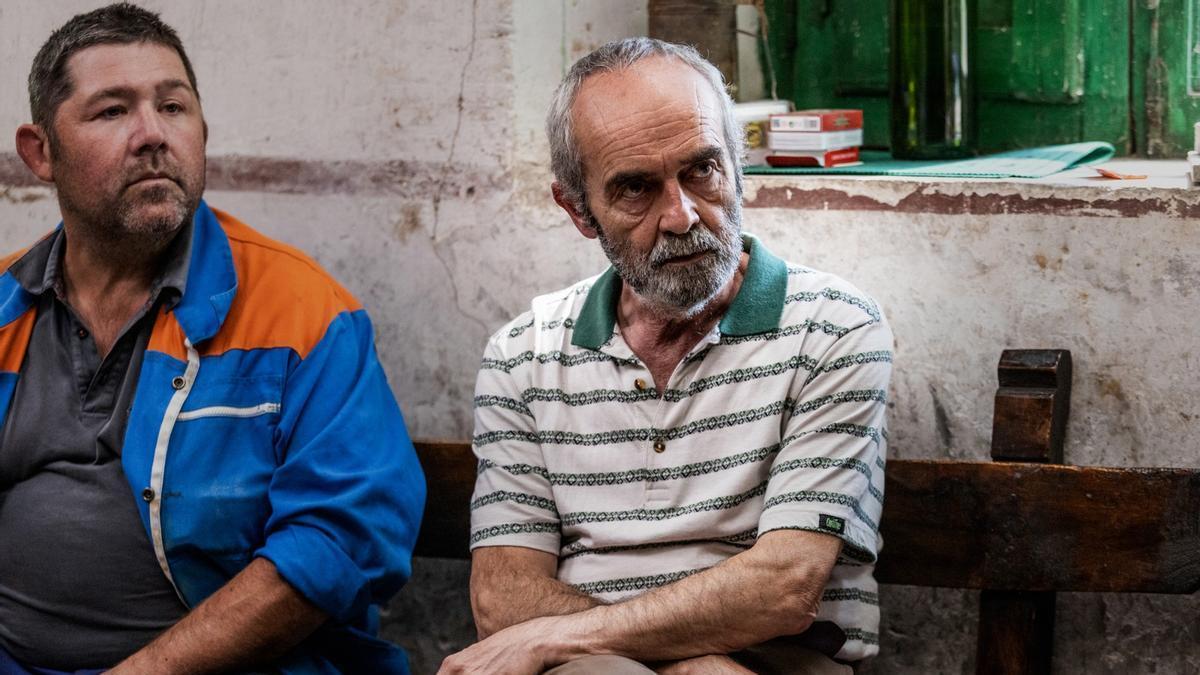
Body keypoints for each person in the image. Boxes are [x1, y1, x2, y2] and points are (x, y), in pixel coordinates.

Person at [443, 38, 892, 674]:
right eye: (636, 189)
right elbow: (502, 597)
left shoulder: (833, 327)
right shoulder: (524, 354)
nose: (681, 216)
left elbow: (785, 588)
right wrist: (683, 662)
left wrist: (558, 638)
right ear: (578, 210)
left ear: (738, 166)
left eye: (702, 170)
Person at [0, 4, 424, 673]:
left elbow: (344, 533)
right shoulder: (5, 305)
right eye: (112, 111)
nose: (152, 135)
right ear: (40, 153)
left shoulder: (303, 310)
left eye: (173, 107)